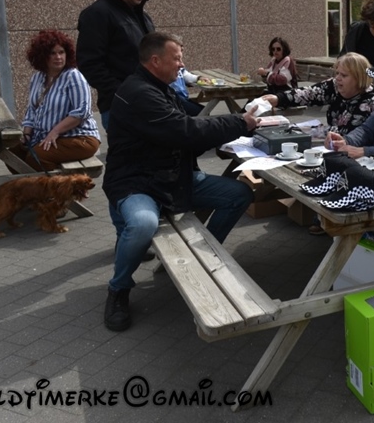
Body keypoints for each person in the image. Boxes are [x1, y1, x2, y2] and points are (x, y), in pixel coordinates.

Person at [102, 32, 262, 332]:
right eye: (176, 58)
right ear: (155, 61)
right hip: (137, 184)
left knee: (239, 193)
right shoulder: (139, 93)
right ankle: (118, 289)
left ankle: (205, 256)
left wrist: (242, 121)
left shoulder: (158, 88)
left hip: (172, 178)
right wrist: (239, 122)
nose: (181, 64)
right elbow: (185, 130)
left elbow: (196, 118)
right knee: (143, 225)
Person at [77, 0, 155, 130]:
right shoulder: (97, 14)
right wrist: (124, 94)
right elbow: (89, 64)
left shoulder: (143, 17)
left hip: (151, 102)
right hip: (120, 108)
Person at [13, 30, 100, 171]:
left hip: (79, 138)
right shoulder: (37, 77)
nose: (58, 57)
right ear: (42, 56)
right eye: (52, 53)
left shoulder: (73, 76)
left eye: (61, 52)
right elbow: (32, 109)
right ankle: (31, 183)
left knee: (37, 157)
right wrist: (27, 134)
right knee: (14, 153)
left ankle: (56, 183)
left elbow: (81, 112)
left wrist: (55, 132)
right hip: (43, 136)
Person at [260, 52, 374, 136]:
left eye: (344, 75)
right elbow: (309, 93)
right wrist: (278, 98)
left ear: (359, 78)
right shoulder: (334, 85)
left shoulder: (370, 101)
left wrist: (307, 130)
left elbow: (346, 132)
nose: (338, 78)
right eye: (337, 73)